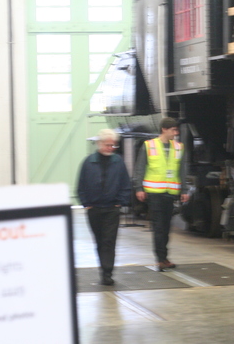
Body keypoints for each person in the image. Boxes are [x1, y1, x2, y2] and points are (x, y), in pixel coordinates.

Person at [134, 117, 189, 271]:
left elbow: (182, 170)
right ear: (164, 129)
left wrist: (184, 190)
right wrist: (139, 188)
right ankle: (160, 259)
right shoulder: (149, 145)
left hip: (170, 193)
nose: (176, 133)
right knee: (159, 227)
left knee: (165, 227)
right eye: (173, 130)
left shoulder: (178, 147)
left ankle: (164, 257)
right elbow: (140, 168)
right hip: (154, 193)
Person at [77, 128, 131, 286]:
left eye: (113, 145)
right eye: (108, 145)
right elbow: (81, 185)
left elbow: (125, 183)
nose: (110, 148)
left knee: (109, 241)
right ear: (99, 144)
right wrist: (86, 203)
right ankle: (103, 269)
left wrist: (120, 202)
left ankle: (107, 273)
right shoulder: (88, 162)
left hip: (111, 209)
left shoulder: (118, 162)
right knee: (99, 241)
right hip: (94, 209)